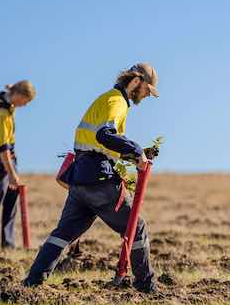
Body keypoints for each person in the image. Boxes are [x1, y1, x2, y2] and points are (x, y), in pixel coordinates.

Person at [23, 63, 159, 291]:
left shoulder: (104, 99)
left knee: (62, 235)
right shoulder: (117, 101)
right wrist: (136, 150)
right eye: (147, 90)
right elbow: (105, 134)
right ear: (136, 82)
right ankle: (147, 288)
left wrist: (134, 154)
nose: (145, 96)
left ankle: (31, 285)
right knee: (137, 227)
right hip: (100, 182)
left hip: (80, 182)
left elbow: (99, 144)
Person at [0, 80, 36, 249]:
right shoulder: (1, 114)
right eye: (25, 101)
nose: (24, 105)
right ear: (18, 95)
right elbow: (2, 149)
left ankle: (8, 245)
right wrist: (11, 174)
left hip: (7, 159)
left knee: (11, 203)